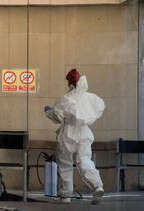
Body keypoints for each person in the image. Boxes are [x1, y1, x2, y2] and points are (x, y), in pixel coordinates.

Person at [44, 69, 105, 205]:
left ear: (71, 84)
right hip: (84, 133)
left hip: (68, 134)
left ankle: (65, 196)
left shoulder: (66, 99)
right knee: (85, 160)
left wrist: (48, 111)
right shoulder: (90, 97)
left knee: (65, 164)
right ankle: (97, 185)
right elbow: (99, 108)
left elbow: (57, 117)